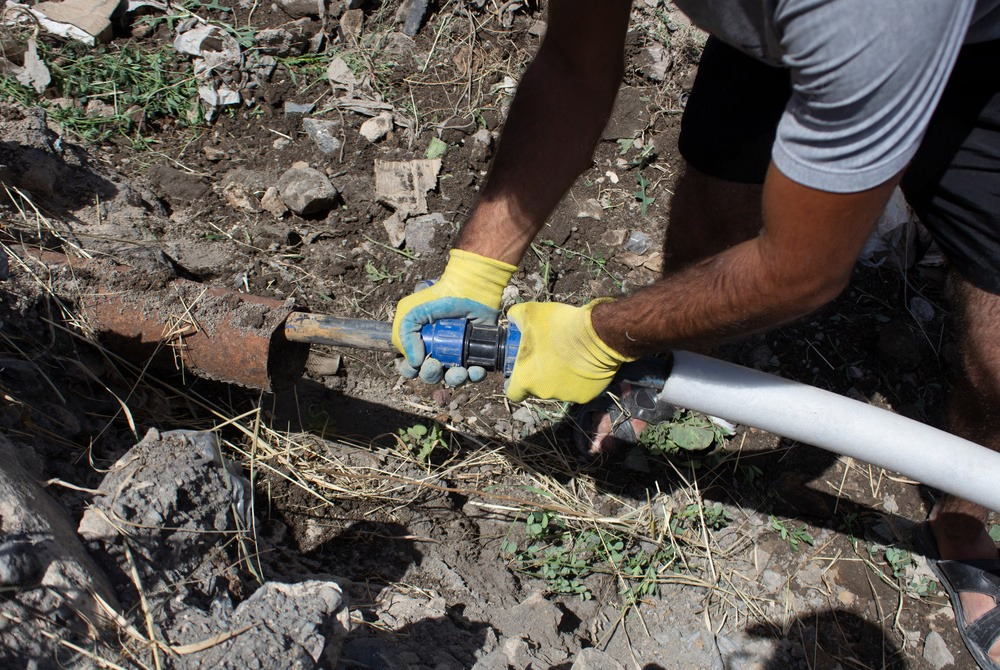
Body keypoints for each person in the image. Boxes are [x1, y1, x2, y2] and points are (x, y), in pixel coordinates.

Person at [391, 1, 1000, 666]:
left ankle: (962, 516)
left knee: (997, 341)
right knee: (715, 208)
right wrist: (474, 273)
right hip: (782, 33)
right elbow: (572, 66)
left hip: (974, 50)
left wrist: (600, 337)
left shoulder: (866, 15)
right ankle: (669, 368)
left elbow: (800, 271)